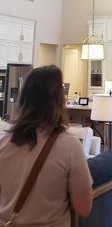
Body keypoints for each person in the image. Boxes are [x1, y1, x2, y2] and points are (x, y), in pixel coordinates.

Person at [0, 65, 93, 227]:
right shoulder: (70, 146)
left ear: (23, 98)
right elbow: (84, 208)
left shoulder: (3, 141)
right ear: (58, 101)